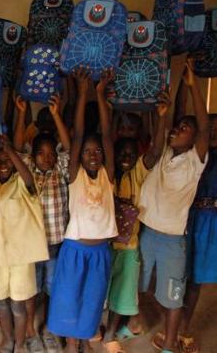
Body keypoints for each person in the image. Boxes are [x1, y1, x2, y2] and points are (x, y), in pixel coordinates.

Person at [140, 60, 209, 353]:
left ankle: (169, 344)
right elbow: (163, 125)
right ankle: (136, 324)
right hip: (146, 233)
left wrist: (193, 85)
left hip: (171, 240)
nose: (178, 130)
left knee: (173, 295)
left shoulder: (195, 162)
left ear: (194, 140)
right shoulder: (164, 151)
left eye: (185, 128)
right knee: (141, 285)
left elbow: (204, 125)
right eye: (179, 126)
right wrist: (166, 115)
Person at [47, 67, 118, 353]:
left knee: (92, 299)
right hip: (74, 250)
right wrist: (84, 92)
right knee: (68, 297)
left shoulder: (108, 176)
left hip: (100, 251)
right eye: (88, 152)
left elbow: (108, 135)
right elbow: (75, 139)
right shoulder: (75, 176)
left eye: (97, 151)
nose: (93, 155)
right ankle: (72, 342)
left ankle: (85, 339)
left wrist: (100, 95)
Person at [101, 92, 170, 352]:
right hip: (106, 246)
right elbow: (107, 139)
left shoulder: (138, 174)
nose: (126, 157)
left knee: (122, 293)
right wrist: (108, 111)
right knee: (103, 289)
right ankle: (105, 328)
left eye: (131, 153)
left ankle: (110, 335)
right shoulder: (108, 176)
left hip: (129, 248)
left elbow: (154, 152)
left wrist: (161, 119)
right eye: (122, 154)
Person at [0, 133, 48, 353]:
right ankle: (7, 341)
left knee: (18, 305)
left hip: (21, 259)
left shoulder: (24, 183)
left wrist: (10, 151)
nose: (3, 164)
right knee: (3, 304)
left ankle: (20, 343)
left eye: (7, 160)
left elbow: (28, 179)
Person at [13, 93, 71, 353]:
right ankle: (30, 331)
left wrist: (56, 115)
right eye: (41, 153)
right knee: (32, 289)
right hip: (32, 246)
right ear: (33, 156)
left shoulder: (60, 173)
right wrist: (22, 113)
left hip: (56, 244)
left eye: (51, 153)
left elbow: (67, 148)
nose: (47, 157)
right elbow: (17, 148)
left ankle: (47, 328)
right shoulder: (30, 175)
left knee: (50, 287)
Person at [178, 113, 217, 353]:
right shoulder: (191, 154)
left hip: (210, 223)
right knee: (177, 272)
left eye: (216, 128)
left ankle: (183, 327)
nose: (212, 132)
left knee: (196, 278)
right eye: (209, 127)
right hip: (185, 217)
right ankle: (173, 324)